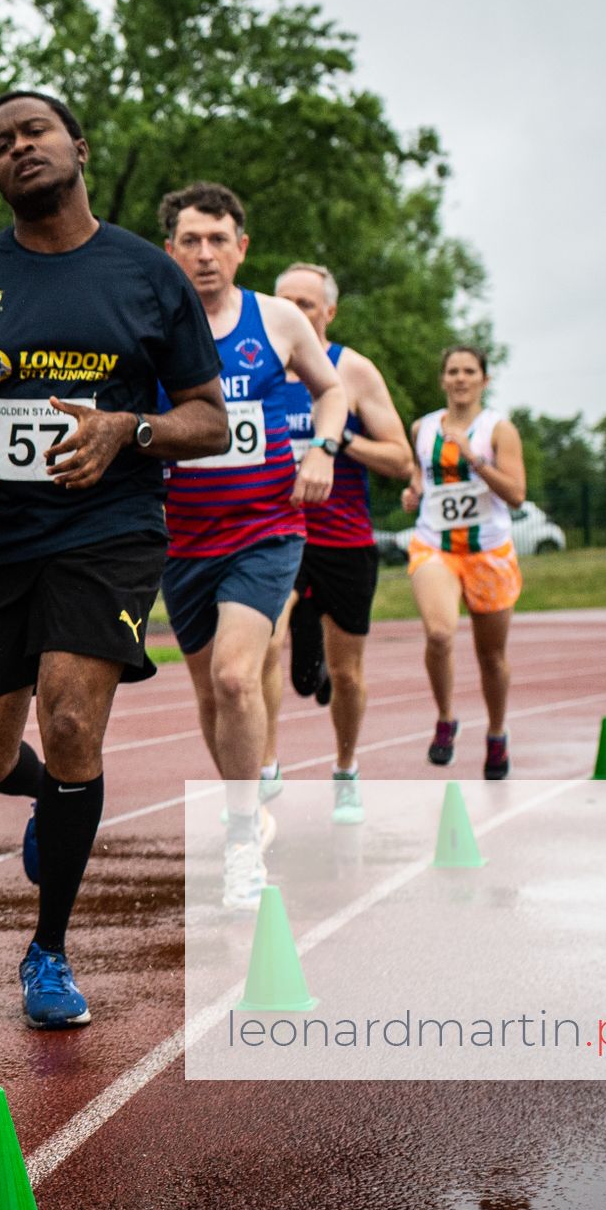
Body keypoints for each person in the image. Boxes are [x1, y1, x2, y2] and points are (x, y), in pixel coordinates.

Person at [0, 90, 227, 1028]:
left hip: (108, 530)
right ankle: (52, 797)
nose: (18, 148)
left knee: (73, 718)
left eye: (34, 131)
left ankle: (47, 950)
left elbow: (208, 420)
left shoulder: (147, 274)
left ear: (78, 147)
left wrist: (129, 429)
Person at [158, 184, 346, 909]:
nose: (205, 254)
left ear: (242, 248)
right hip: (183, 539)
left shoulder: (278, 319)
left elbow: (331, 392)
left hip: (266, 530)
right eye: (191, 240)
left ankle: (242, 841)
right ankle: (247, 807)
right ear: (171, 250)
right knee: (212, 692)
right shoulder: (151, 323)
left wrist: (323, 449)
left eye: (218, 240)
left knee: (237, 678)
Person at [259, 263, 412, 824]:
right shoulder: (255, 368)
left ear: (329, 311)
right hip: (273, 532)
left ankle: (346, 769)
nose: (294, 311)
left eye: (306, 303)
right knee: (262, 645)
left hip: (342, 539)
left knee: (346, 674)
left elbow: (400, 459)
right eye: (284, 301)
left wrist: (339, 439)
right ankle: (266, 766)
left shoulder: (353, 370)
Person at [402, 345, 527, 779]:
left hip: (488, 552)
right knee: (439, 633)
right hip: (434, 545)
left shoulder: (498, 430)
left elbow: (516, 494)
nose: (460, 378)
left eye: (469, 371)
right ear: (443, 379)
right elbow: (419, 476)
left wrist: (474, 460)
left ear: (484, 380)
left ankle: (496, 733)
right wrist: (413, 492)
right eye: (452, 371)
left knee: (491, 656)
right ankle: (446, 717)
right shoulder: (422, 428)